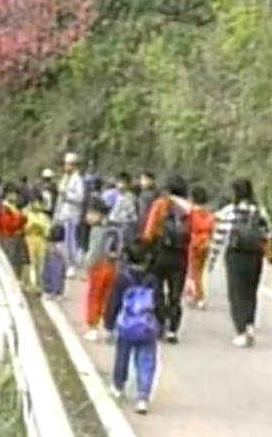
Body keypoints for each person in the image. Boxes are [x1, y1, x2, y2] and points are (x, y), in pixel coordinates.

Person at [213, 178, 272, 346]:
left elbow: (219, 235)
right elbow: (268, 232)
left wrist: (212, 258)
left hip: (235, 254)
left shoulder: (229, 211)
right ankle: (250, 324)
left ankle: (241, 330)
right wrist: (269, 254)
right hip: (255, 255)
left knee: (236, 293)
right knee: (250, 292)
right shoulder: (260, 211)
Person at [104, 239, 161, 415]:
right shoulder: (152, 280)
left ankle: (118, 385)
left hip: (126, 325)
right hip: (147, 327)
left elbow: (114, 302)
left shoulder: (122, 279)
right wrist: (160, 322)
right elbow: (159, 303)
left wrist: (109, 324)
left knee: (122, 356)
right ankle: (143, 396)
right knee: (146, 360)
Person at [139, 175, 193, 344]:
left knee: (157, 289)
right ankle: (173, 329)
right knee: (175, 293)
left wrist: (145, 248)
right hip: (181, 254)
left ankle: (160, 323)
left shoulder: (161, 203)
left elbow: (149, 230)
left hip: (161, 251)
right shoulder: (189, 208)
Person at [83, 199, 119, 342]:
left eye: (91, 213)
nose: (87, 216)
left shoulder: (97, 230)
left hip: (99, 267)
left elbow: (94, 251)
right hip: (112, 266)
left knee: (94, 297)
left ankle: (93, 328)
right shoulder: (114, 228)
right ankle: (110, 329)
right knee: (109, 299)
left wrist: (87, 264)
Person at [55, 152, 88, 272]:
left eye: (68, 164)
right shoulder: (64, 178)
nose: (66, 167)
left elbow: (80, 197)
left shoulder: (78, 179)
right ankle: (66, 263)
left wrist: (66, 194)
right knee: (64, 241)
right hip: (64, 213)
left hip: (73, 214)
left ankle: (73, 264)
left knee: (71, 240)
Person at [185, 186, 216, 310]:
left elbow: (188, 227)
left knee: (193, 272)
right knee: (199, 272)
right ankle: (193, 295)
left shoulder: (191, 213)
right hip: (205, 243)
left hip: (194, 243)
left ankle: (198, 297)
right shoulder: (209, 214)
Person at [0, 188, 29, 278]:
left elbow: (23, 221)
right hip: (8, 239)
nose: (14, 197)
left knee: (20, 264)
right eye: (12, 194)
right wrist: (18, 215)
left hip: (18, 239)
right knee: (10, 264)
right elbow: (9, 225)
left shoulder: (15, 208)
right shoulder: (4, 210)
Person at [23, 195, 53, 293]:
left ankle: (40, 285)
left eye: (39, 203)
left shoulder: (44, 217)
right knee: (31, 263)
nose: (37, 205)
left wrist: (41, 229)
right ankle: (31, 285)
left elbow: (47, 230)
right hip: (29, 239)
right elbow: (23, 227)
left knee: (40, 264)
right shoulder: (26, 214)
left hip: (40, 240)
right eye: (35, 202)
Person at [108, 172, 140, 249]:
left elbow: (132, 215)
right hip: (112, 224)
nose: (121, 185)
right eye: (118, 182)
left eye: (123, 183)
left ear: (128, 184)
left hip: (124, 227)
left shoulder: (130, 197)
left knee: (121, 247)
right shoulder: (112, 194)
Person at [42, 222, 69, 299]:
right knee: (57, 277)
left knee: (49, 276)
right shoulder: (61, 245)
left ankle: (50, 291)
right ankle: (57, 292)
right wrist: (66, 263)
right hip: (57, 263)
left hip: (51, 263)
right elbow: (65, 256)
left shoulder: (49, 244)